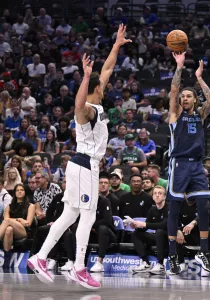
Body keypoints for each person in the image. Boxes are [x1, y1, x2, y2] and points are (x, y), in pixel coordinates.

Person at [27, 25, 131, 290]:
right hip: (86, 165)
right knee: (87, 216)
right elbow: (77, 104)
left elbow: (106, 70)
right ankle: (80, 266)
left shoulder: (97, 102)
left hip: (79, 164)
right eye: (100, 85)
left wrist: (117, 45)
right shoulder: (87, 110)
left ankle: (39, 257)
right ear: (95, 88)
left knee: (70, 213)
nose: (105, 85)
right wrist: (84, 78)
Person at [166, 53, 210, 275]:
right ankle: (172, 255)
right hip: (179, 164)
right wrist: (179, 67)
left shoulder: (200, 115)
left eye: (189, 96)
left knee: (204, 205)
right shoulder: (175, 114)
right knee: (174, 209)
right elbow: (174, 91)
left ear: (195, 100)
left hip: (196, 165)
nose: (184, 98)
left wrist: (199, 78)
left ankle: (204, 251)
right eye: (183, 96)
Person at [129, 185, 169, 275]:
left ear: (164, 196)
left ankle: (160, 264)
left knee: (160, 231)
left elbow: (164, 225)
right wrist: (136, 226)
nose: (157, 195)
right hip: (157, 239)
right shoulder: (153, 209)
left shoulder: (169, 208)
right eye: (155, 193)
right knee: (135, 233)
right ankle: (145, 262)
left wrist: (144, 224)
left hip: (169, 238)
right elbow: (146, 227)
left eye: (160, 193)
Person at [0, 184, 35, 251]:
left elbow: (28, 224)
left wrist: (15, 220)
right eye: (17, 190)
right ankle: (6, 254)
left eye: (22, 190)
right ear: (15, 193)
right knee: (9, 229)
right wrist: (19, 219)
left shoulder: (31, 206)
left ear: (25, 192)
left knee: (8, 222)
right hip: (11, 227)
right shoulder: (9, 206)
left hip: (24, 230)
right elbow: (5, 220)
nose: (19, 191)